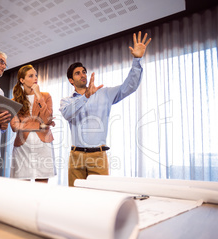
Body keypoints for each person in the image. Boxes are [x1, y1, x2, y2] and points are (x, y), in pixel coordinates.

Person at [60, 31, 151, 186]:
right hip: (76, 156)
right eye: (77, 73)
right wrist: (85, 97)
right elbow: (68, 114)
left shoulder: (105, 94)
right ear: (71, 80)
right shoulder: (66, 101)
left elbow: (130, 86)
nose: (83, 75)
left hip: (98, 156)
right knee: (75, 197)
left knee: (101, 196)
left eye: (84, 72)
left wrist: (137, 60)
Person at [10, 65, 56, 182]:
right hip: (22, 146)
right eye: (31, 76)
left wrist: (38, 95)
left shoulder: (45, 96)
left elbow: (47, 120)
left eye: (36, 75)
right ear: (22, 80)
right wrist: (39, 126)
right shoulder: (14, 101)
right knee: (21, 187)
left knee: (41, 186)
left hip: (43, 145)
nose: (35, 78)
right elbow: (15, 126)